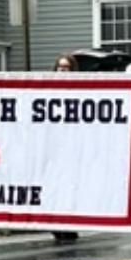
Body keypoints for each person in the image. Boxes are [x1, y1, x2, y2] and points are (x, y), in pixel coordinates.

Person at [49, 54, 81, 244]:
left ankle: (69, 225)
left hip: (72, 145)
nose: (62, 70)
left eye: (66, 67)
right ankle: (56, 224)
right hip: (54, 144)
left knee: (69, 186)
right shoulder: (49, 89)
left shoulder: (79, 90)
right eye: (59, 67)